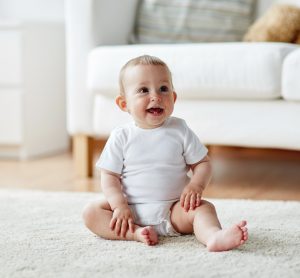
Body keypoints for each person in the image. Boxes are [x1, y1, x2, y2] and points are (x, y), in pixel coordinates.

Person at [82, 55, 248, 251]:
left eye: (163, 89)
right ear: (124, 104)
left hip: (174, 210)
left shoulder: (179, 129)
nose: (156, 96)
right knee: (91, 212)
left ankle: (213, 236)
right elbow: (109, 175)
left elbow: (203, 163)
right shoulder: (121, 136)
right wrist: (119, 206)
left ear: (173, 98)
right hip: (131, 211)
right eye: (143, 90)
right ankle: (135, 233)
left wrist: (196, 185)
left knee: (204, 209)